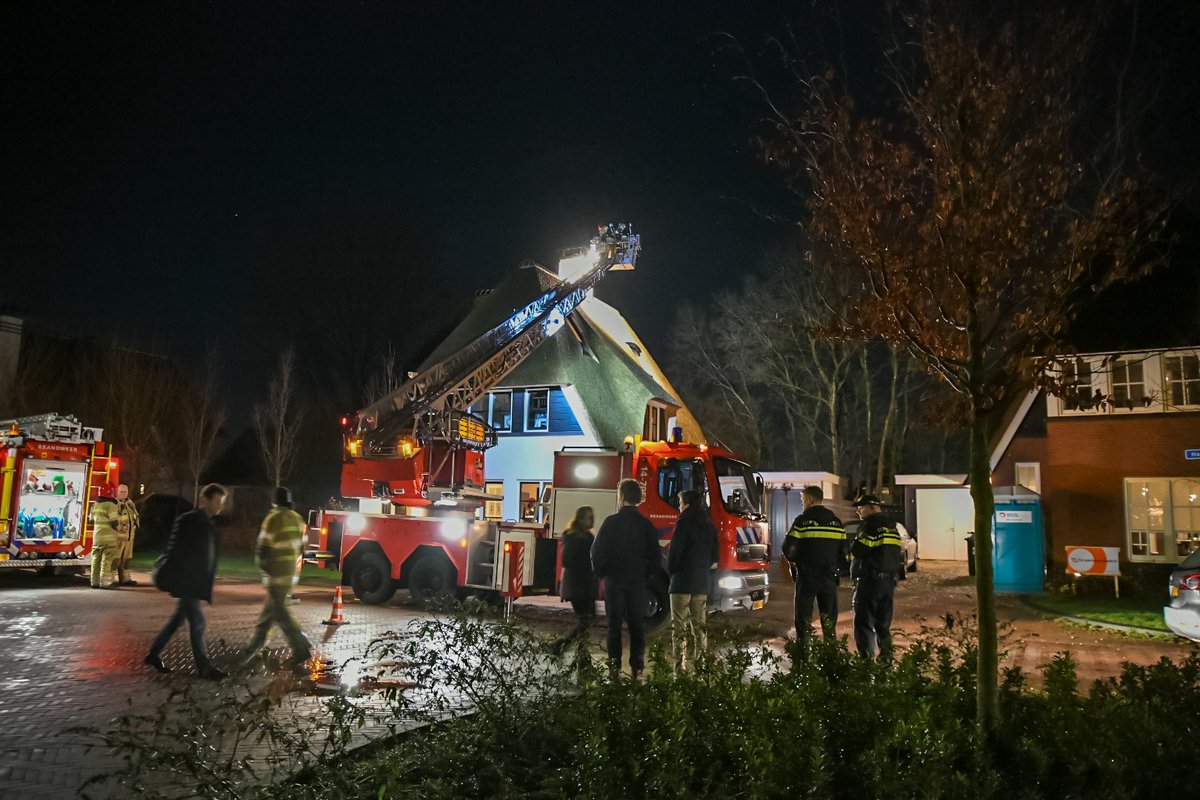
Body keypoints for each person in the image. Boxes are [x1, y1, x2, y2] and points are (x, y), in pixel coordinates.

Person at [145, 483, 228, 679]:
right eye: (217, 501)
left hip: (195, 582)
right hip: (187, 582)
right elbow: (175, 551)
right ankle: (204, 667)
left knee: (177, 621)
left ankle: (153, 654)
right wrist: (185, 576)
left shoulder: (210, 525)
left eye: (221, 503)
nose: (220, 506)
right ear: (204, 500)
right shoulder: (189, 520)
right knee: (198, 622)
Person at [237, 487, 314, 673]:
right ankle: (254, 647)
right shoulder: (298, 519)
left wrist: (265, 568)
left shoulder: (272, 519)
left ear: (274, 502)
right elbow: (303, 546)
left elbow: (262, 549)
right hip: (290, 575)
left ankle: (302, 646)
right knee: (269, 613)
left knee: (281, 613)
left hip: (275, 574)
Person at [591, 478, 661, 680]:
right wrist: (645, 575)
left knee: (614, 626)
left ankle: (614, 668)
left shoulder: (610, 523)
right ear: (638, 498)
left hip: (614, 581)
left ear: (621, 497)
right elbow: (656, 557)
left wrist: (601, 573)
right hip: (636, 582)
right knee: (636, 626)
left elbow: (596, 552)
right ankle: (637, 668)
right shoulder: (646, 525)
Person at [781, 485, 846, 657]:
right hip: (829, 578)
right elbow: (843, 551)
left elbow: (788, 549)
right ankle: (831, 657)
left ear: (810, 499)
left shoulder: (802, 521)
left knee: (803, 619)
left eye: (802, 500)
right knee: (829, 620)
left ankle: (803, 658)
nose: (802, 504)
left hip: (807, 576)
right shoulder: (836, 522)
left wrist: (796, 564)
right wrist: (835, 570)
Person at [666, 489, 718, 672]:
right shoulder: (709, 525)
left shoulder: (683, 522)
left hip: (681, 582)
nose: (679, 506)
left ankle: (679, 670)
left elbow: (675, 553)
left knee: (679, 628)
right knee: (700, 628)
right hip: (701, 582)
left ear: (686, 503)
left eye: (680, 502)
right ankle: (700, 667)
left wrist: (672, 571)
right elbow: (714, 557)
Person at [849, 494, 904, 661]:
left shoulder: (870, 526)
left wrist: (854, 543)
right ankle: (886, 662)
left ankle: (866, 662)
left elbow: (858, 550)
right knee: (883, 624)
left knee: (864, 623)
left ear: (872, 508)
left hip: (870, 581)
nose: (858, 511)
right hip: (888, 582)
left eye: (861, 507)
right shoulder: (892, 527)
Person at [552, 505, 597, 654]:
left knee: (587, 621)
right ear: (582, 519)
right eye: (590, 517)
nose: (593, 519)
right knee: (585, 620)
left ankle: (567, 648)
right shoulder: (575, 537)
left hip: (583, 586)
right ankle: (574, 651)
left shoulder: (585, 536)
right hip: (578, 586)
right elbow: (567, 560)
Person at [89, 487, 121, 589]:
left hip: (97, 538)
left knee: (95, 560)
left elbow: (90, 520)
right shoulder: (110, 505)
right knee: (106, 561)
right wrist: (119, 528)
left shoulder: (95, 504)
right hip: (108, 539)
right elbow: (114, 521)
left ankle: (94, 582)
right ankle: (105, 583)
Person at [114, 483, 141, 586]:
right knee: (115, 559)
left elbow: (135, 515)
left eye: (125, 492)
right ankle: (109, 579)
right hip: (119, 537)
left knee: (127, 559)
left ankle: (125, 579)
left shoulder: (130, 503)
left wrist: (136, 525)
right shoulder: (114, 504)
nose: (123, 494)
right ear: (117, 492)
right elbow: (113, 519)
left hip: (130, 536)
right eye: (121, 492)